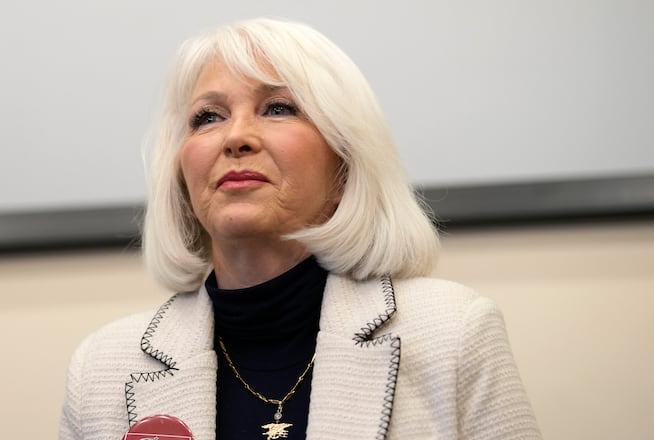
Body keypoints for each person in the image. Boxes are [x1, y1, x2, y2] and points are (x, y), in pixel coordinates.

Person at [59, 18, 541, 440]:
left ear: (345, 167)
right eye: (208, 117)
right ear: (182, 177)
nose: (236, 137)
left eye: (278, 108)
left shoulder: (455, 333)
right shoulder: (102, 369)